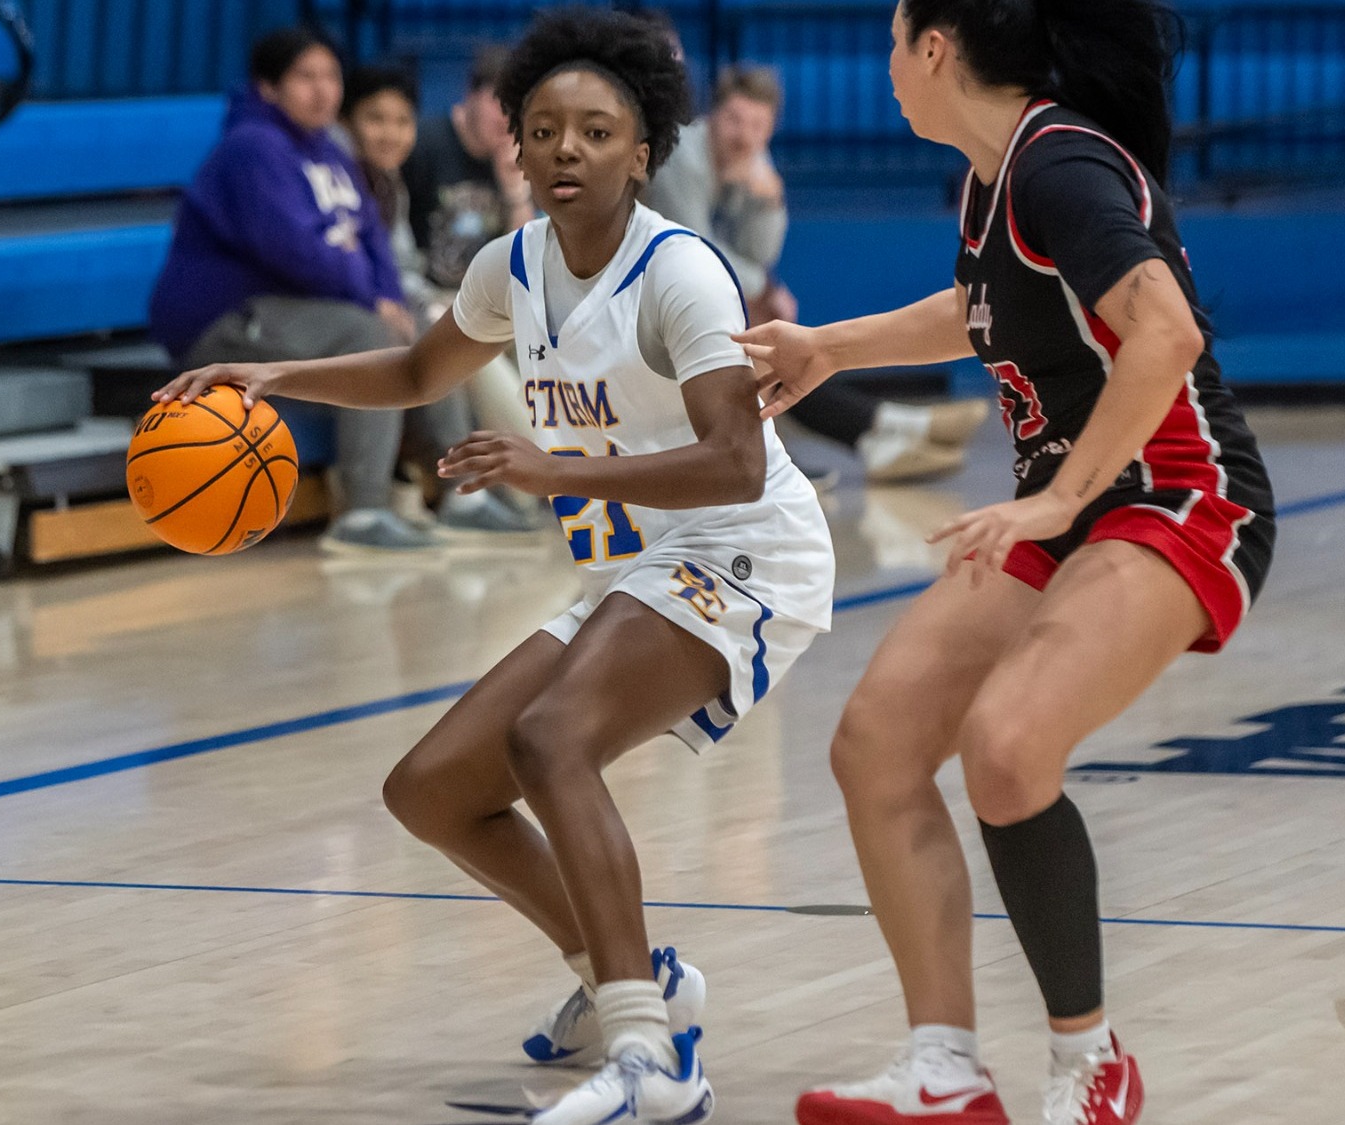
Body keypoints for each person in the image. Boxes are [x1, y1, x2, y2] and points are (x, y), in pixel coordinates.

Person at [155, 9, 835, 1123]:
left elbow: (729, 463)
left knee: (551, 740)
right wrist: (267, 377)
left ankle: (651, 1063)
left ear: (642, 151)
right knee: (431, 791)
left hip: (743, 550)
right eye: (544, 128)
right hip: (636, 565)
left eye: (596, 130)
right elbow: (420, 369)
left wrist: (545, 467)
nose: (566, 148)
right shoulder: (508, 265)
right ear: (511, 145)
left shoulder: (680, 274)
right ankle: (633, 979)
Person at [736, 2, 1276, 1123]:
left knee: (1006, 745)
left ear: (935, 48)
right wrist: (829, 345)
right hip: (1072, 507)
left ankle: (1091, 1064)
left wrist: (1062, 497)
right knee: (876, 747)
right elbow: (984, 311)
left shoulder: (1059, 164)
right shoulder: (1000, 176)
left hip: (1179, 495)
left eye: (893, 39)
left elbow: (1165, 333)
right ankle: (941, 1067)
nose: (883, 65)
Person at [146, 28, 439, 552]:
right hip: (223, 318)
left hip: (298, 313)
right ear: (268, 87)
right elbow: (293, 250)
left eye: (331, 76)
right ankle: (362, 513)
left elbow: (373, 238)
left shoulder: (331, 152)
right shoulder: (252, 147)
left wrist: (391, 296)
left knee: (424, 326)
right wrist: (373, 302)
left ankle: (461, 493)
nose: (323, 90)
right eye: (306, 77)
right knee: (371, 335)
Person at [640, 48, 991, 483]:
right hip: (640, 295)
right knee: (760, 334)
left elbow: (758, 255)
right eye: (733, 120)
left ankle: (878, 433)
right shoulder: (684, 158)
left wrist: (769, 203)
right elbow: (690, 250)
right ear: (714, 116)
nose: (743, 134)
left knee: (765, 337)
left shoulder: (753, 158)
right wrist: (764, 291)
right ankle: (884, 428)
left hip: (681, 294)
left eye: (757, 125)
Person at [340, 63, 539, 534]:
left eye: (520, 111)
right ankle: (526, 479)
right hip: (432, 299)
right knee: (460, 340)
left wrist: (514, 189)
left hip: (460, 296)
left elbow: (530, 267)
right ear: (468, 96)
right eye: (499, 102)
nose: (506, 119)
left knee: (541, 321)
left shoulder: (509, 158)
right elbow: (395, 260)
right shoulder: (422, 147)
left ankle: (547, 470)